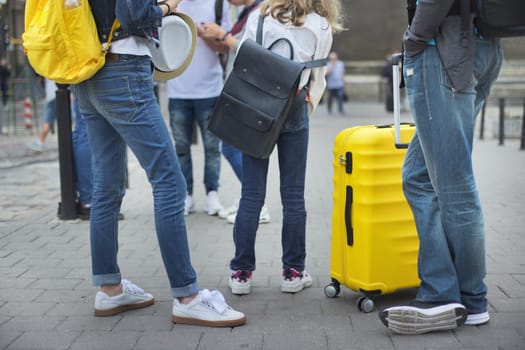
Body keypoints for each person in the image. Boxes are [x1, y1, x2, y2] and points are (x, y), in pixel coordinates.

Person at [72, 0, 245, 327]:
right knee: (170, 183)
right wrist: (167, 6)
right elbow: (136, 15)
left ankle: (109, 288)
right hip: (124, 70)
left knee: (106, 188)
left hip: (89, 69)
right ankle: (188, 297)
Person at [379, 0, 503, 334]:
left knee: (455, 185)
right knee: (418, 178)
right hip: (480, 45)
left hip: (443, 50)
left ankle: (468, 298)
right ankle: (443, 288)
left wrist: (415, 38)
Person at [203, 0, 342, 295]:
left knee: (251, 194)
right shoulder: (320, 24)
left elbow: (244, 59)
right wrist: (309, 100)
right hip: (295, 106)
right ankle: (293, 272)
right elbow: (318, 74)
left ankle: (241, 273)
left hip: (257, 108)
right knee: (293, 195)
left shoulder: (260, 16)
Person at [199, 0, 271, 225]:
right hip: (238, 89)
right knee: (235, 148)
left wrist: (222, 35)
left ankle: (257, 203)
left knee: (230, 147)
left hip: (246, 91)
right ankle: (252, 200)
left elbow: (255, 52)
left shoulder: (261, 11)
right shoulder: (247, 11)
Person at [166, 0, 231, 216]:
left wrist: (201, 34)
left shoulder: (219, 4)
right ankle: (187, 196)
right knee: (181, 148)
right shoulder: (171, 4)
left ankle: (212, 195)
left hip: (210, 90)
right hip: (177, 90)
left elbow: (224, 47)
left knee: (213, 148)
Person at [27, 78, 57, 152]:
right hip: (54, 94)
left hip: (52, 95)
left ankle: (40, 142)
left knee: (47, 120)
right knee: (49, 120)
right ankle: (40, 142)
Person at [325, 51, 346, 115]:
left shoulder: (341, 64)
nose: (333, 60)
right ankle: (329, 109)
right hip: (331, 84)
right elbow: (327, 74)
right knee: (330, 98)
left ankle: (340, 110)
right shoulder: (328, 64)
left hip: (339, 84)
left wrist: (344, 81)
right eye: (332, 59)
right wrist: (331, 66)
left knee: (340, 97)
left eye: (334, 58)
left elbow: (342, 73)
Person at [0, 58, 10, 134]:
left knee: (5, 93)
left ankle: (5, 103)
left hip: (3, 83)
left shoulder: (4, 67)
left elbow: (8, 74)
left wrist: (6, 67)